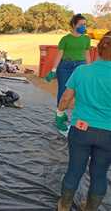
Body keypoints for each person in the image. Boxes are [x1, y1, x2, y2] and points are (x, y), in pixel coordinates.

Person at [56, 31, 111, 211]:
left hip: (81, 130)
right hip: (108, 134)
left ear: (97, 50)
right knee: (100, 174)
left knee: (74, 169)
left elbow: (65, 99)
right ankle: (90, 208)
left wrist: (61, 111)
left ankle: (63, 206)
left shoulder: (82, 71)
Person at [45, 14, 92, 133]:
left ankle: (77, 118)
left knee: (80, 92)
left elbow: (87, 54)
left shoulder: (86, 39)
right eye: (81, 24)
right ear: (73, 25)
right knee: (63, 91)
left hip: (80, 66)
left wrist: (89, 69)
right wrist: (53, 69)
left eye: (85, 24)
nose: (83, 26)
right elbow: (59, 55)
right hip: (65, 66)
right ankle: (59, 116)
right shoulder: (65, 39)